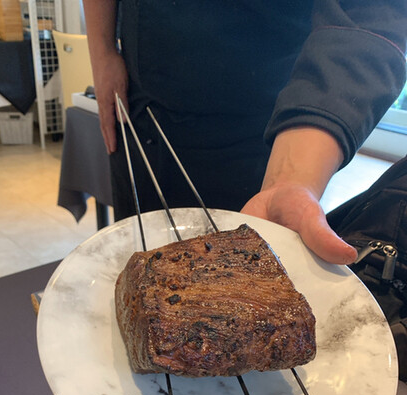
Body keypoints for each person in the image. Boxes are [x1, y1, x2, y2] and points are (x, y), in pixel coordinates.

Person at [83, 0, 407, 264]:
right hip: (140, 103)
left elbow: (367, 11)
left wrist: (290, 180)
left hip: (259, 122)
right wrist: (101, 49)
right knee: (138, 262)